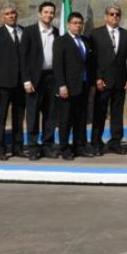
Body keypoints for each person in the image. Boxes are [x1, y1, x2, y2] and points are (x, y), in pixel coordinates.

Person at [91, 5, 127, 155]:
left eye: (117, 14)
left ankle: (115, 142)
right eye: (111, 14)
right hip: (102, 82)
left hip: (120, 81)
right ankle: (96, 142)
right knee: (100, 113)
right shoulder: (96, 34)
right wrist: (97, 77)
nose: (114, 16)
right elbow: (93, 59)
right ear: (106, 16)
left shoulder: (126, 35)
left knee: (117, 113)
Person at [0, 2, 28, 160]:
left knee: (19, 117)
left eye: (13, 13)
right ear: (2, 17)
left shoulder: (24, 31)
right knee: (1, 117)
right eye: (8, 14)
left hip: (21, 83)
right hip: (3, 83)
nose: (11, 16)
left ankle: (17, 147)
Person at [52, 12, 95, 160]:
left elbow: (89, 64)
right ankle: (64, 147)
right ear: (68, 24)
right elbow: (58, 66)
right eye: (75, 23)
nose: (77, 26)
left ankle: (79, 146)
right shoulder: (60, 41)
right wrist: (62, 86)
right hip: (68, 87)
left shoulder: (86, 41)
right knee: (65, 119)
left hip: (83, 86)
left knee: (81, 118)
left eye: (80, 23)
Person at [22, 1, 58, 160]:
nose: (49, 15)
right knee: (33, 113)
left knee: (50, 114)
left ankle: (48, 145)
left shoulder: (57, 32)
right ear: (39, 13)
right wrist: (26, 80)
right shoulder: (29, 31)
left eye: (51, 12)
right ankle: (33, 146)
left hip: (52, 78)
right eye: (46, 12)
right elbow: (23, 58)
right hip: (34, 79)